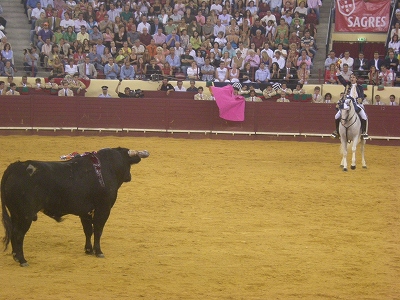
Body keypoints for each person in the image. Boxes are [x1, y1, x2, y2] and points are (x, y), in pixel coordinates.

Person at [331, 72, 369, 139]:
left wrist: (361, 99)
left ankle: (363, 132)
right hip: (347, 103)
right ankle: (337, 131)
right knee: (336, 116)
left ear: (356, 79)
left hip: (356, 103)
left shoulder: (360, 87)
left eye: (353, 77)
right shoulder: (347, 85)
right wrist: (338, 73)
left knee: (364, 116)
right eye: (351, 77)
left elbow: (362, 96)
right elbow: (342, 80)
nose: (352, 78)